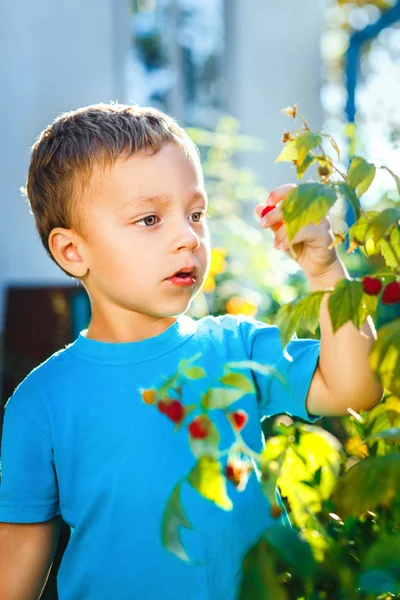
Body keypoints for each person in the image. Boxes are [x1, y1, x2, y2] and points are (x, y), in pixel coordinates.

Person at [0, 103, 383, 600]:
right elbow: (18, 557)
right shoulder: (40, 403)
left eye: (196, 214)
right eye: (150, 218)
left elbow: (357, 387)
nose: (188, 237)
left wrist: (326, 269)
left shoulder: (235, 347)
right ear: (74, 251)